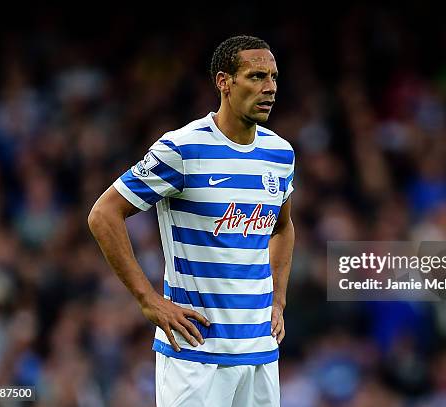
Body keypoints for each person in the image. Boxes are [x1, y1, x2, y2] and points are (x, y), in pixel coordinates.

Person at [88, 35, 295, 406]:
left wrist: (277, 299)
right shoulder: (182, 148)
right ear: (224, 82)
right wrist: (148, 299)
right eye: (256, 76)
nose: (270, 88)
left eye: (274, 78)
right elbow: (104, 214)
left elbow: (282, 226)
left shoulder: (279, 153)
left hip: (260, 353)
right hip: (195, 355)